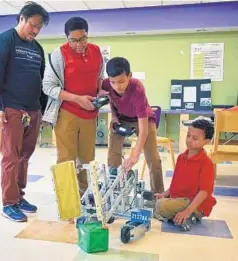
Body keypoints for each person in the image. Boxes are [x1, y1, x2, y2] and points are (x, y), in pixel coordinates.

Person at [0, 2, 49, 222]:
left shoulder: (37, 48)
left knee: (25, 156)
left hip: (33, 110)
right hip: (12, 108)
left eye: (39, 27)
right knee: (11, 157)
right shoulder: (4, 41)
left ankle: (19, 197)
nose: (35, 30)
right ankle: (9, 203)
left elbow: (41, 81)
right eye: (33, 25)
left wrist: (42, 111)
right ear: (21, 18)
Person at [42, 17, 106, 197]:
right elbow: (48, 87)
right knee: (66, 159)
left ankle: (86, 195)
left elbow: (99, 76)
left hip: (90, 114)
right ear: (66, 38)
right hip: (67, 113)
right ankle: (67, 199)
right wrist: (77, 99)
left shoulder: (96, 51)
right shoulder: (58, 54)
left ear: (87, 35)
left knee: (87, 159)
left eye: (83, 39)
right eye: (74, 40)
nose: (79, 44)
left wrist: (100, 90)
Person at [101, 57, 165, 197]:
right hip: (121, 119)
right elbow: (111, 98)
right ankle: (114, 189)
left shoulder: (137, 88)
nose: (117, 86)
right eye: (113, 82)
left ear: (130, 76)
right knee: (113, 155)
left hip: (143, 120)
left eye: (121, 81)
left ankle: (159, 194)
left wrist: (135, 154)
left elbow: (143, 131)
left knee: (153, 158)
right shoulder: (106, 84)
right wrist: (114, 117)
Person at [154, 118, 216, 231]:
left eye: (195, 138)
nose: (189, 140)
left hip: (195, 204)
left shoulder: (207, 163)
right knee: (155, 202)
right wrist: (164, 194)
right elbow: (175, 183)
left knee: (160, 206)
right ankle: (181, 218)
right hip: (179, 200)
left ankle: (187, 216)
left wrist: (188, 210)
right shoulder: (181, 157)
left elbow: (204, 192)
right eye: (188, 135)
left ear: (206, 142)